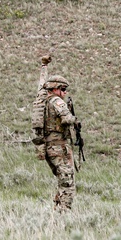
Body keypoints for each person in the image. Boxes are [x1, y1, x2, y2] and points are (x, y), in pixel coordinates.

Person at [32, 56, 78, 211]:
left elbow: (41, 83)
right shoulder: (57, 102)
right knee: (68, 183)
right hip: (60, 148)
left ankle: (57, 211)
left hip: (48, 148)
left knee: (62, 179)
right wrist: (74, 119)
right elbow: (66, 119)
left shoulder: (41, 100)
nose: (64, 93)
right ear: (55, 89)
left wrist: (44, 66)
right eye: (63, 89)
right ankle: (64, 213)